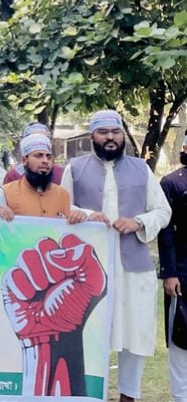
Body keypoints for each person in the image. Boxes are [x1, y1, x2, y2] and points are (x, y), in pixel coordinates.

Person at [61, 110, 172, 402]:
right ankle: (87, 394)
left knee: (134, 332)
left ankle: (128, 395)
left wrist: (138, 222)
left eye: (115, 132)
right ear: (92, 136)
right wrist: (86, 215)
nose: (110, 137)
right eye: (103, 132)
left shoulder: (141, 169)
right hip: (87, 268)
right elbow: (62, 208)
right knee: (88, 331)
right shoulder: (75, 168)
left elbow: (163, 211)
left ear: (122, 135)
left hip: (133, 266)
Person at [0, 134, 89, 223]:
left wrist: (80, 217)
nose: (45, 160)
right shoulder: (5, 193)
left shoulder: (63, 195)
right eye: (38, 156)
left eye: (48, 157)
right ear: (24, 160)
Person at [158, 135, 187, 402]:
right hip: (181, 274)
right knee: (180, 335)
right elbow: (165, 231)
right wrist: (169, 272)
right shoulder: (171, 183)